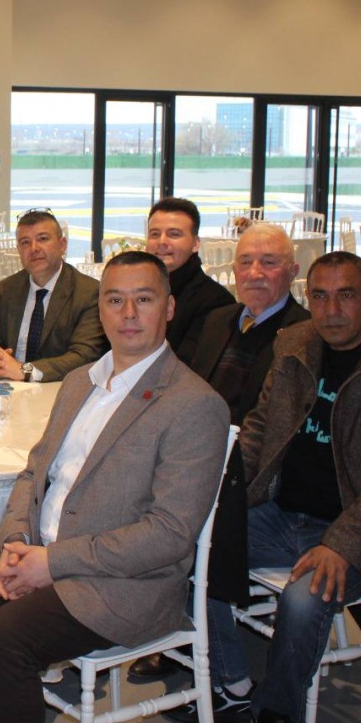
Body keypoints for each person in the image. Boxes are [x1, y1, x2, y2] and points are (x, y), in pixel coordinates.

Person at [0, 251, 230, 723]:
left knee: (0, 639)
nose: (129, 314)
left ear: (169, 308)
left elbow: (169, 534)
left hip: (116, 582)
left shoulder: (194, 404)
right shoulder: (78, 382)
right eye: (115, 300)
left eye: (144, 299)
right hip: (35, 551)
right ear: (100, 309)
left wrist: (52, 563)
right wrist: (16, 540)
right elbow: (33, 472)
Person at [198, 251, 361, 723]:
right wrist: (222, 496)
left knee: (304, 599)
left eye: (346, 295)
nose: (331, 310)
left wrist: (342, 544)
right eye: (320, 296)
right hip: (281, 511)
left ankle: (273, 716)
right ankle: (234, 685)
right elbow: (259, 428)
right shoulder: (294, 343)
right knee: (193, 547)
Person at [131, 221, 309, 685]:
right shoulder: (219, 320)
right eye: (245, 262)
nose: (255, 272)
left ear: (292, 271)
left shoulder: (304, 335)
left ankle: (224, 676)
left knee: (177, 533)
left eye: (269, 263)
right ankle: (166, 627)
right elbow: (183, 393)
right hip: (196, 455)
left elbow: (272, 436)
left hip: (253, 480)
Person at [0, 209, 105, 382]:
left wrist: (25, 371)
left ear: (62, 245)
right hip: (7, 386)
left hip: (57, 388)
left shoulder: (88, 292)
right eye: (25, 242)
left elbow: (84, 356)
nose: (34, 248)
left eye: (43, 239)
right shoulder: (7, 289)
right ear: (18, 249)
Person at [146, 197, 234, 363]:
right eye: (155, 234)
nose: (162, 241)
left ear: (195, 243)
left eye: (174, 234)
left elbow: (189, 366)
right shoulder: (137, 290)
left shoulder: (215, 302)